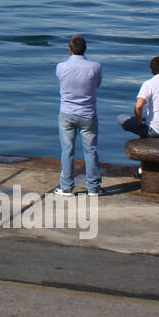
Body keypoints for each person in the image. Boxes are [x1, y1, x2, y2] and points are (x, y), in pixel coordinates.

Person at [54, 35, 102, 197]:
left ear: (70, 49)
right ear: (85, 49)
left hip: (67, 113)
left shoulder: (61, 67)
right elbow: (97, 84)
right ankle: (94, 188)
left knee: (67, 150)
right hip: (88, 114)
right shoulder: (95, 67)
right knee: (91, 150)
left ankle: (66, 187)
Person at [120, 57, 159, 139]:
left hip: (156, 131)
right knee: (145, 118)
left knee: (121, 118)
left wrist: (139, 123)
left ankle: (145, 139)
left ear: (151, 70)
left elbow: (138, 106)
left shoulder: (149, 84)